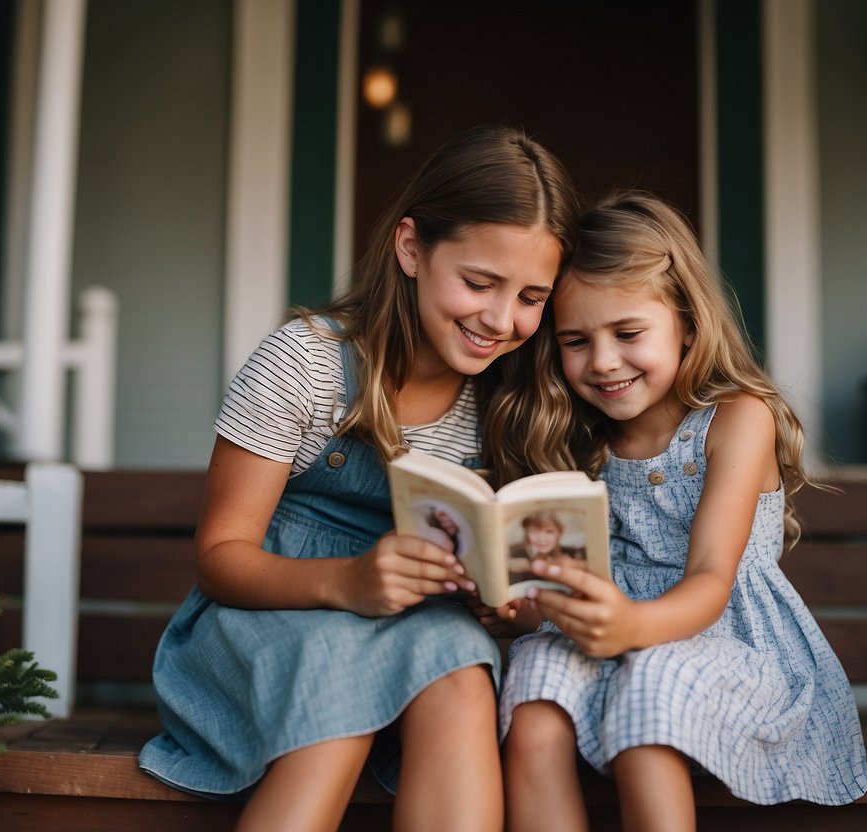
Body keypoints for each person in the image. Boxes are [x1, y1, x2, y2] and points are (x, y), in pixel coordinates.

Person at [138, 124, 581, 832]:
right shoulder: (307, 363)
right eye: (478, 282)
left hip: (412, 635)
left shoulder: (512, 401)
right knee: (337, 678)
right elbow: (221, 560)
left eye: (531, 297)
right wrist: (348, 583)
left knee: (463, 665)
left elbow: (514, 584)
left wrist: (508, 602)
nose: (500, 320)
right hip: (264, 622)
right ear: (411, 247)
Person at [496, 192, 867, 831]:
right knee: (533, 688)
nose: (604, 361)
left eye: (628, 333)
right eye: (576, 340)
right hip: (612, 637)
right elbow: (572, 582)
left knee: (652, 682)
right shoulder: (578, 440)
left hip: (735, 646)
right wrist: (528, 604)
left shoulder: (736, 420)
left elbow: (709, 581)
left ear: (688, 324)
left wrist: (627, 629)